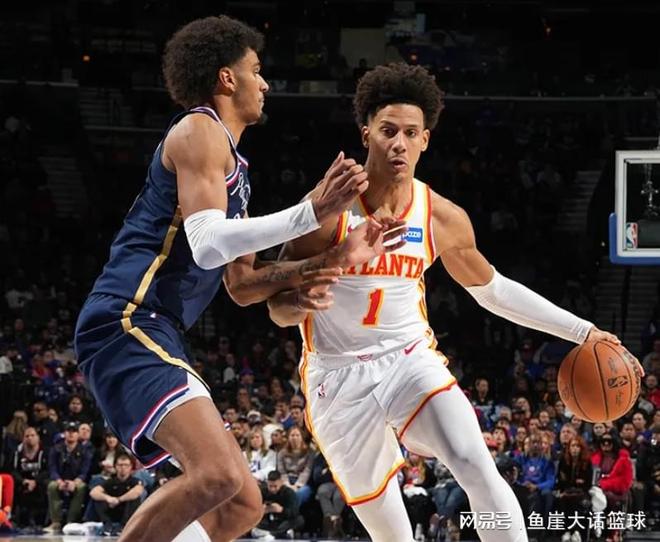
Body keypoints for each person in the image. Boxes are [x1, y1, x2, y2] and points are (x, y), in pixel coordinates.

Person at [266, 62, 640, 542]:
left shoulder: (440, 216)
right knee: (393, 535)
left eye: (410, 133)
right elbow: (277, 308)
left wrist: (583, 331)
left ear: (425, 140)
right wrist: (303, 298)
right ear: (366, 135)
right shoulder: (326, 209)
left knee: (474, 462)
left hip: (408, 360)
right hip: (336, 378)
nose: (399, 143)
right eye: (388, 131)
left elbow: (494, 290)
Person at [73, 15, 401, 542]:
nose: (265, 83)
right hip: (126, 319)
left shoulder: (236, 172)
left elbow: (243, 285)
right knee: (218, 476)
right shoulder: (198, 130)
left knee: (241, 504)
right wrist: (310, 212)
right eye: (257, 69)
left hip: (157, 328)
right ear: (227, 78)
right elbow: (206, 245)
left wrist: (335, 256)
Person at [45, 422, 91, 532]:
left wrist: (75, 482)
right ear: (64, 433)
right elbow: (52, 468)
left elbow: (85, 471)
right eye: (68, 431)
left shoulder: (85, 451)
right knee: (52, 486)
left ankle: (71, 521)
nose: (71, 434)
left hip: (76, 480)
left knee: (81, 488)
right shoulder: (56, 449)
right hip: (59, 479)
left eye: (74, 431)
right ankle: (56, 522)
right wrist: (59, 481)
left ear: (78, 434)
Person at [89, 453, 144, 536]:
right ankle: (107, 525)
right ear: (115, 466)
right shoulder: (111, 481)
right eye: (120, 465)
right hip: (113, 509)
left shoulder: (135, 481)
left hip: (127, 511)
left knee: (134, 499)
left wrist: (119, 500)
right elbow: (93, 492)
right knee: (99, 498)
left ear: (130, 467)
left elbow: (137, 492)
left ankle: (123, 526)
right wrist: (108, 498)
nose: (123, 468)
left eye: (126, 465)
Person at [9, 427, 49, 529]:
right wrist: (23, 481)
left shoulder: (44, 452)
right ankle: (13, 518)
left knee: (46, 484)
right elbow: (13, 471)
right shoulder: (17, 453)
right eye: (27, 436)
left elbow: (47, 470)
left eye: (32, 435)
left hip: (39, 481)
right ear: (23, 438)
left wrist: (35, 481)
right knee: (13, 484)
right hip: (23, 481)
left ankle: (43, 520)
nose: (30, 438)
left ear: (38, 437)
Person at [252, 470, 303, 540]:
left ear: (281, 482)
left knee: (299, 520)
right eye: (270, 486)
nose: (273, 489)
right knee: (254, 521)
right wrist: (263, 510)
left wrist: (281, 510)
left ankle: (270, 533)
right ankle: (278, 533)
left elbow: (294, 512)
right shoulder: (262, 491)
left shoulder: (289, 493)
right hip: (268, 521)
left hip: (283, 520)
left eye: (275, 486)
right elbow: (253, 509)